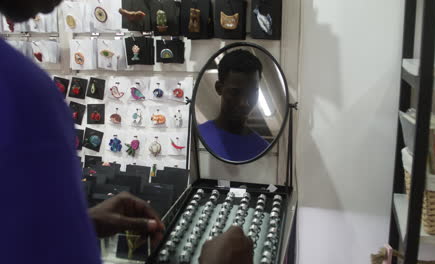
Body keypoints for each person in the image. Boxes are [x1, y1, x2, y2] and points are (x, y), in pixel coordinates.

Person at [0, 1, 253, 264]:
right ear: (220, 88)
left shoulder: (19, 88)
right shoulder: (21, 93)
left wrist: (78, 225)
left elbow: (15, 229)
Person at [198, 49, 269, 161]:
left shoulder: (263, 149)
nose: (244, 103)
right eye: (235, 93)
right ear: (219, 88)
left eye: (251, 92)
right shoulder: (197, 137)